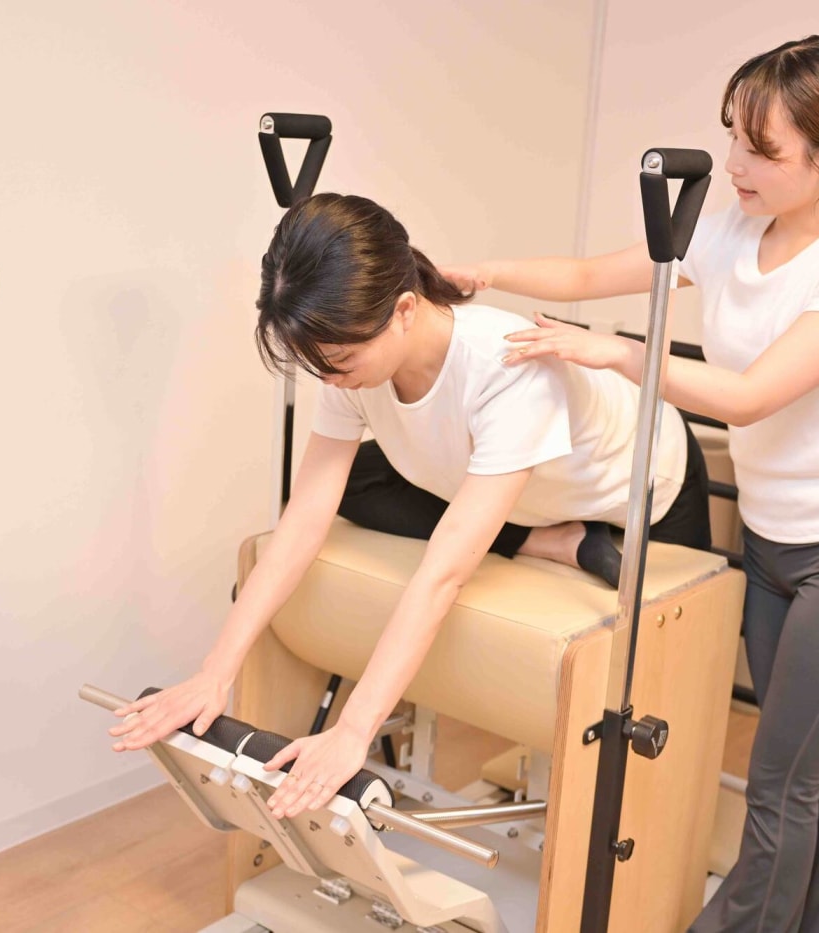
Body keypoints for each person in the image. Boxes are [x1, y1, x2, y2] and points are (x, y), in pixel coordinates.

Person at [443, 34, 819, 933]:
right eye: (732, 135)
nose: (733, 164)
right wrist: (483, 274)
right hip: (771, 547)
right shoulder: (730, 228)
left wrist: (619, 353)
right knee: (814, 775)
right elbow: (590, 275)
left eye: (760, 149)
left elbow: (750, 396)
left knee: (778, 786)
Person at [108, 192, 711, 821]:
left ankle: (568, 537)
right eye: (317, 366)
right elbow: (305, 516)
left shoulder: (506, 365)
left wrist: (353, 731)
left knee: (664, 704)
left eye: (340, 362)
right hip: (527, 497)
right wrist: (214, 671)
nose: (329, 378)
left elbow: (443, 574)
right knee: (360, 480)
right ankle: (554, 541)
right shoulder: (346, 361)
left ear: (402, 310)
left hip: (646, 493)